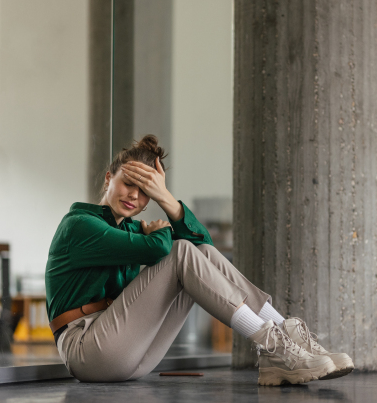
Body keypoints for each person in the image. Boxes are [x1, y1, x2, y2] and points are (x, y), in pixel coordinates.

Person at [45, 135, 354, 386]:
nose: (135, 197)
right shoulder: (79, 225)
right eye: (128, 184)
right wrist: (160, 235)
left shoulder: (133, 230)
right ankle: (272, 346)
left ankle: (283, 332)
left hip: (130, 355)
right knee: (178, 252)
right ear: (108, 179)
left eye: (145, 192)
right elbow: (159, 251)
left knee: (198, 253)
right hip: (87, 350)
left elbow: (203, 247)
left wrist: (166, 198)